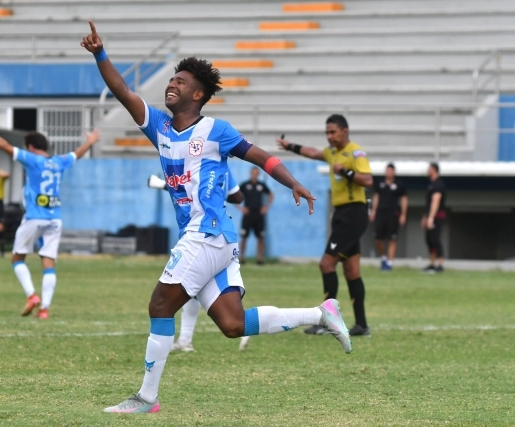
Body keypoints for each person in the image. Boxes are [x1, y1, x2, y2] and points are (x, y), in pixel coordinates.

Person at [82, 21, 352, 414]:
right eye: (171, 79)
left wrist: (293, 182)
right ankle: (321, 314)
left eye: (180, 81)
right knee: (232, 324)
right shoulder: (159, 126)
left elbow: (262, 157)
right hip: (216, 238)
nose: (171, 84)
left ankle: (146, 398)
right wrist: (100, 54)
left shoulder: (216, 130)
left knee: (160, 306)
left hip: (206, 233)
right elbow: (123, 91)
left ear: (197, 94)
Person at [0, 113, 100, 319]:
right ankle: (44, 309)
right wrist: (90, 141)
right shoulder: (59, 161)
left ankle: (32, 296)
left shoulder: (32, 160)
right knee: (48, 262)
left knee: (17, 258)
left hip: (35, 217)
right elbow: (77, 154)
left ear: (30, 147)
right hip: (55, 219)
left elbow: (4, 145)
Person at [276, 114, 373, 338]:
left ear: (345, 131)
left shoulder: (355, 153)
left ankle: (327, 321)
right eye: (327, 133)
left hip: (354, 213)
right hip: (341, 214)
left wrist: (345, 171)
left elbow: (368, 180)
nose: (329, 136)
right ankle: (362, 325)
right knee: (351, 270)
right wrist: (289, 146)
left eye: (333, 132)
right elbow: (313, 152)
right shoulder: (332, 152)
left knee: (326, 264)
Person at [171, 170, 244, 353]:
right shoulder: (224, 168)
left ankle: (245, 324)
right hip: (222, 231)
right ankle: (185, 340)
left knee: (169, 294)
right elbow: (238, 196)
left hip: (202, 232)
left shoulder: (198, 163)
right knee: (193, 288)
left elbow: (189, 190)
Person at [369, 163, 407, 271]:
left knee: (392, 239)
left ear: (393, 172)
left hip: (393, 215)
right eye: (387, 171)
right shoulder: (380, 183)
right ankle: (383, 257)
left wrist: (403, 214)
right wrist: (373, 211)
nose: (388, 173)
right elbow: (376, 197)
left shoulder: (399, 185)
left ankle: (389, 263)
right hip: (381, 215)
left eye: (390, 171)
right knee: (377, 239)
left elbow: (404, 199)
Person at [238, 167, 273, 265]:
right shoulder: (245, 185)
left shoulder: (261, 185)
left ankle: (259, 259)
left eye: (256, 173)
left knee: (261, 237)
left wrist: (266, 207)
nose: (254, 174)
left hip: (259, 214)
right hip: (248, 214)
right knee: (244, 236)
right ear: (250, 173)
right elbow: (235, 195)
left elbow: (271, 195)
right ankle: (242, 258)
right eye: (253, 172)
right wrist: (241, 208)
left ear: (258, 174)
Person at [422, 162, 446, 273]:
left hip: (437, 216)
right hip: (430, 216)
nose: (427, 170)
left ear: (434, 170)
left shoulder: (438, 184)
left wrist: (431, 217)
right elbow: (428, 204)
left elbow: (436, 201)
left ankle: (440, 265)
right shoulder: (430, 184)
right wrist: (425, 217)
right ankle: (432, 264)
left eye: (429, 168)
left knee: (435, 239)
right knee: (429, 240)